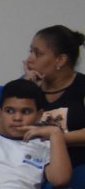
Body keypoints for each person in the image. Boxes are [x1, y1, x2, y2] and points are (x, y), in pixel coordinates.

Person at [24, 23, 85, 165]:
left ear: (60, 60)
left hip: (76, 164)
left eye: (38, 54)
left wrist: (55, 137)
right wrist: (26, 89)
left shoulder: (82, 86)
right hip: (30, 164)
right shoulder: (27, 86)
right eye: (31, 52)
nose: (29, 59)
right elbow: (2, 127)